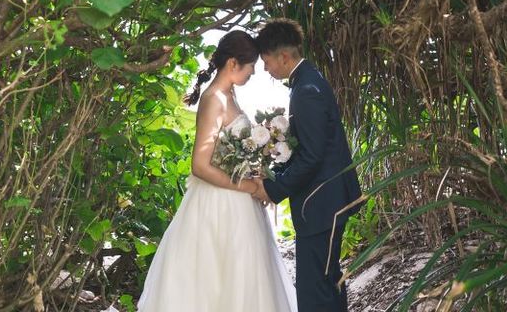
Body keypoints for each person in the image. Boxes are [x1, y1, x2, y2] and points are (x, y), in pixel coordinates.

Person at [136, 30, 296, 311]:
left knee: (245, 279)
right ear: (233, 63)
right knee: (216, 281)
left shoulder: (229, 93)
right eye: (251, 67)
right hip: (219, 204)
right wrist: (248, 186)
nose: (253, 73)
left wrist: (255, 169)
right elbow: (199, 165)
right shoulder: (214, 99)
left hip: (239, 201)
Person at [254, 19, 362, 312]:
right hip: (326, 203)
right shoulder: (308, 81)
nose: (265, 69)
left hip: (322, 205)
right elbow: (309, 149)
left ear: (283, 57)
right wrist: (275, 173)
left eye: (266, 61)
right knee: (326, 283)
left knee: (315, 292)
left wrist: (273, 189)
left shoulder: (306, 90)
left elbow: (312, 157)